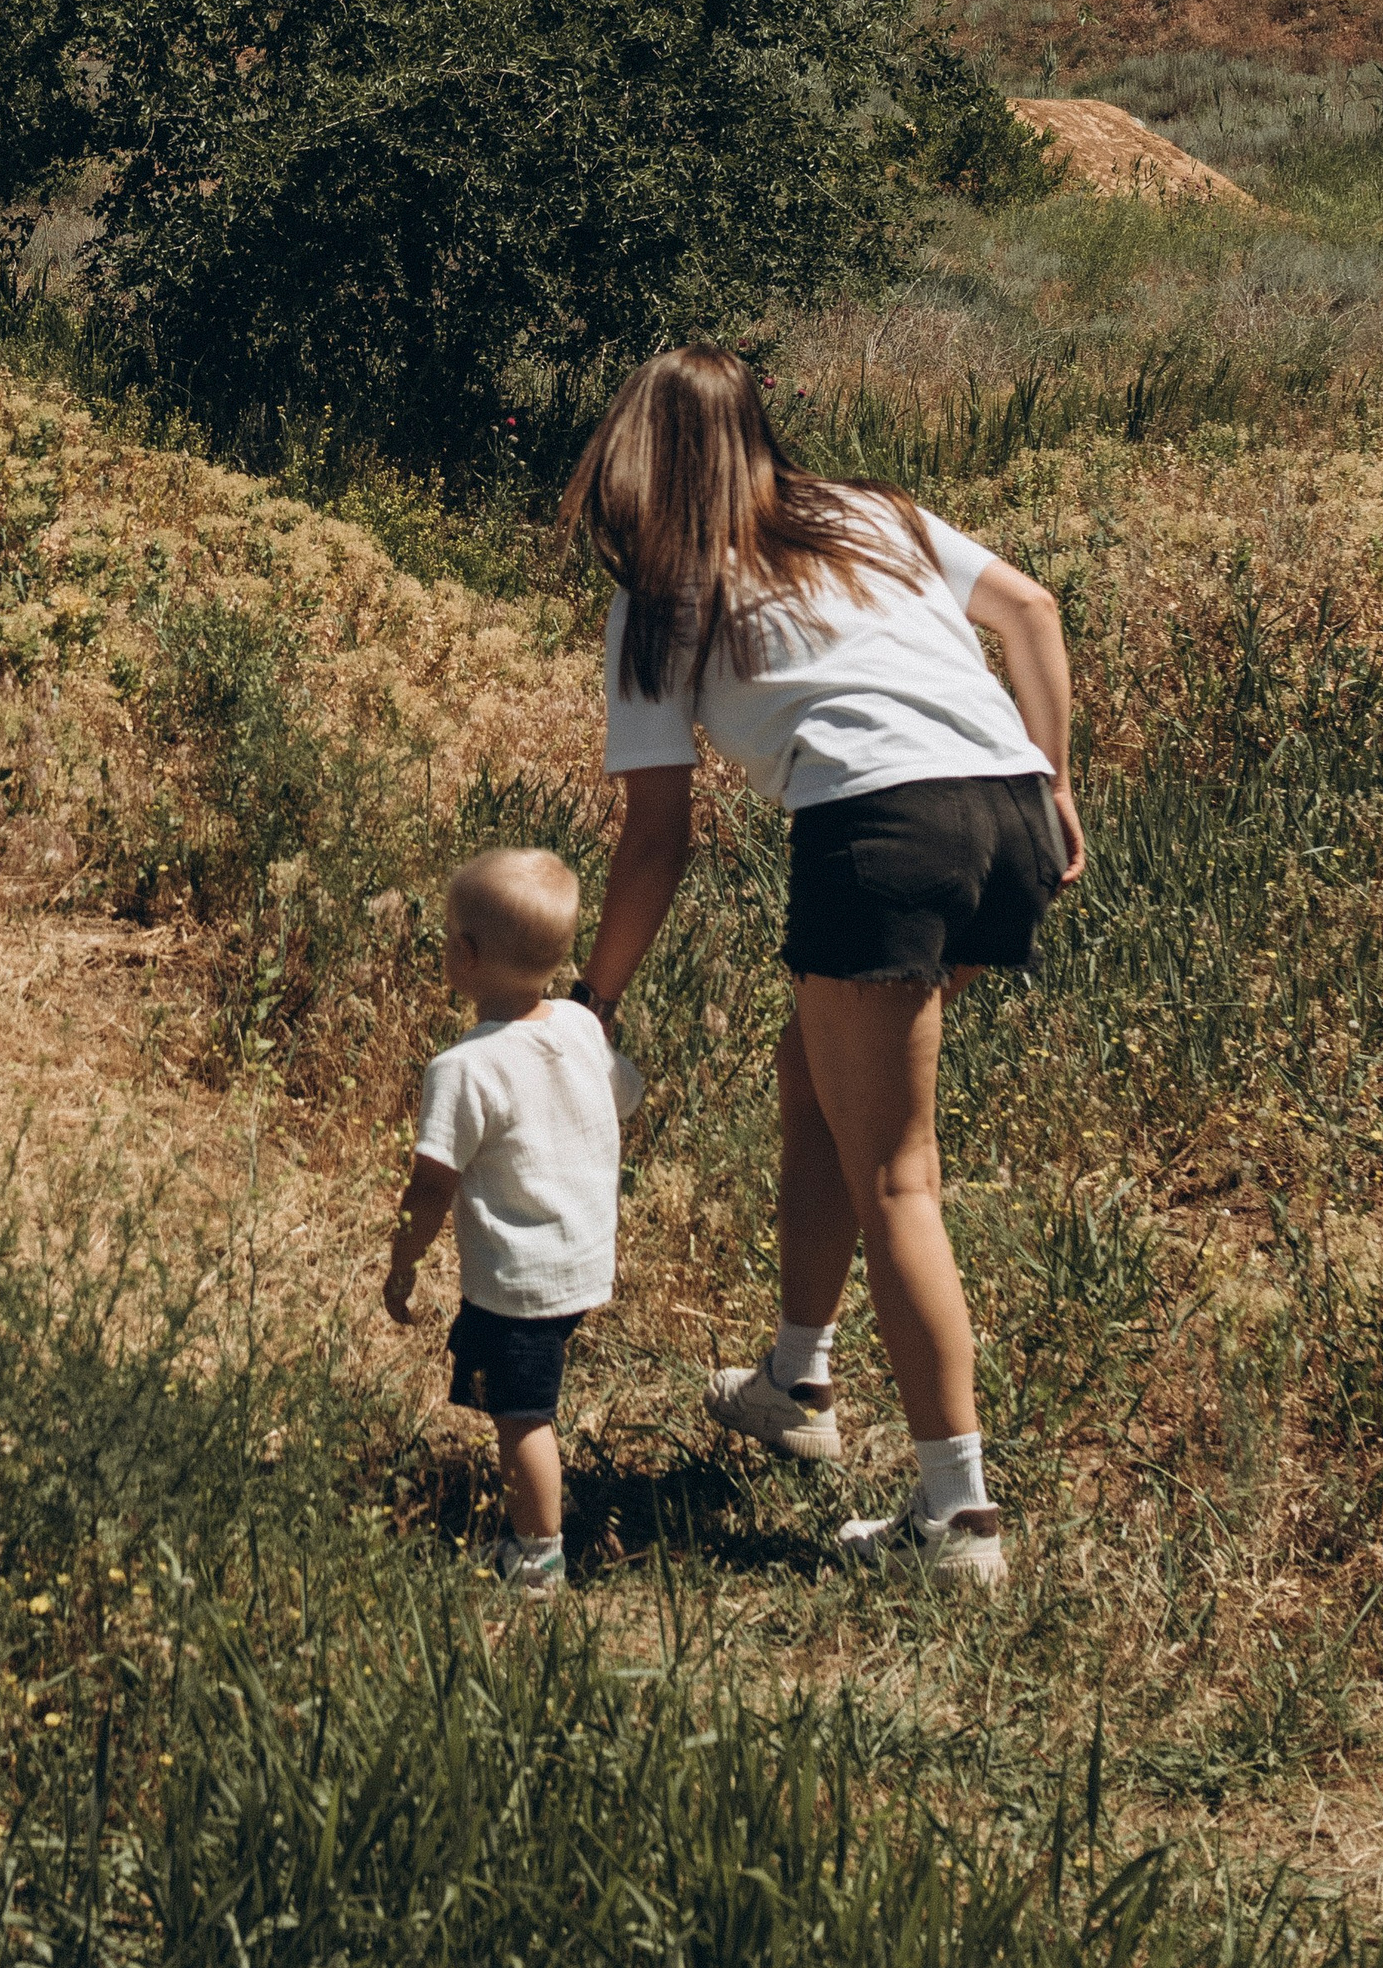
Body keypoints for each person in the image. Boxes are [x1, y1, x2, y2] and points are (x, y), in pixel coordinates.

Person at [559, 348, 1083, 1591]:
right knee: (816, 1070)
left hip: (881, 831)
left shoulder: (659, 596)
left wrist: (595, 998)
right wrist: (1057, 782)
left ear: (632, 452)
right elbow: (1031, 611)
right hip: (1004, 811)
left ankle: (955, 1515)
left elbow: (654, 839)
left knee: (899, 1175)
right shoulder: (873, 513)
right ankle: (797, 1378)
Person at [384, 847, 644, 1598]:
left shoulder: (464, 1068)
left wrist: (403, 1259)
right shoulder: (575, 1024)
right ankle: (532, 1534)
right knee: (524, 1397)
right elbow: (624, 1093)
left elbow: (431, 1184)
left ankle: (536, 1555)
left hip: (520, 1279)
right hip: (581, 1257)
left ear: (464, 955)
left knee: (521, 1416)